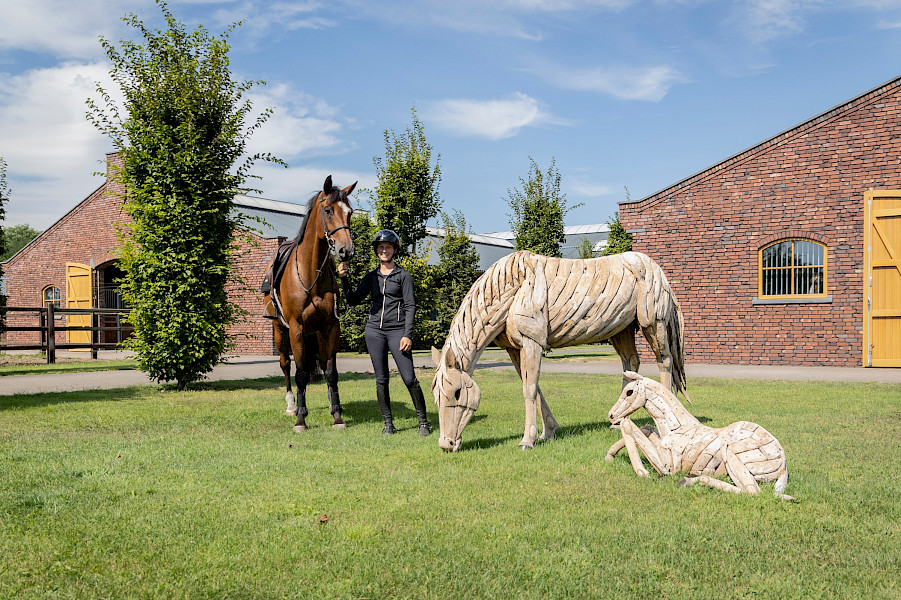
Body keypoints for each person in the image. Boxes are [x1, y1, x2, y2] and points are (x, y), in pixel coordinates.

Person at [337, 229, 431, 435]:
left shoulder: (403, 276)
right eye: (380, 247)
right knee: (381, 379)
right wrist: (343, 279)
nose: (384, 250)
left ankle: (423, 422)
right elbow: (353, 300)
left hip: (398, 331)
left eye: (388, 247)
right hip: (374, 332)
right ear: (376, 251)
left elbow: (410, 306)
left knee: (409, 378)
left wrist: (408, 334)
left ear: (394, 249)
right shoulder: (371, 277)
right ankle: (388, 424)